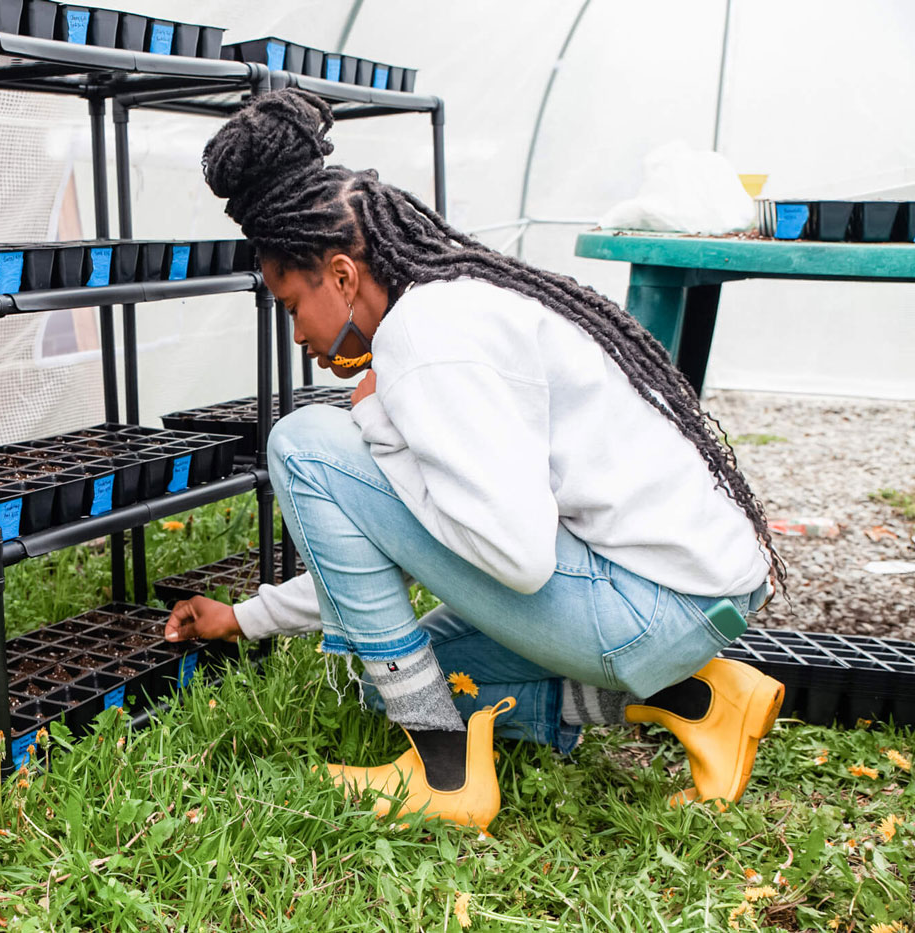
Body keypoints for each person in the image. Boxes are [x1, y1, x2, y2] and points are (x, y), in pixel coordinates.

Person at [162, 89, 786, 831]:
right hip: (681, 599)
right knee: (393, 676)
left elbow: (512, 557)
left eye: (290, 301)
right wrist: (246, 616)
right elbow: (372, 558)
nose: (294, 330)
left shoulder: (427, 341)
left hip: (647, 607)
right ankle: (704, 698)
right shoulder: (452, 301)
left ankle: (445, 772)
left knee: (302, 446)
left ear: (341, 275)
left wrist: (377, 430)